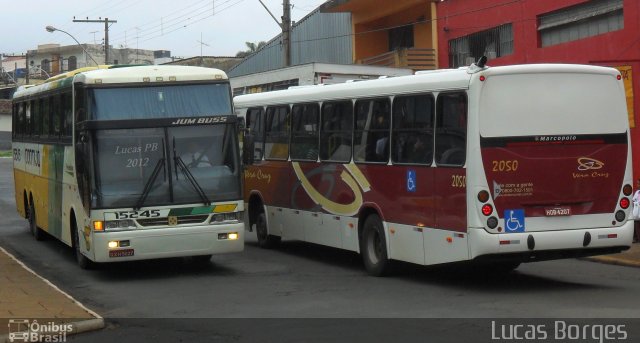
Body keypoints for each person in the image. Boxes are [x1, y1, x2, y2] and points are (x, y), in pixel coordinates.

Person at [633, 179, 640, 243]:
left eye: (638, 184)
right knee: (636, 223)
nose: (637, 185)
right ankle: (637, 238)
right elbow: (633, 200)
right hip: (637, 211)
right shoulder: (637, 192)